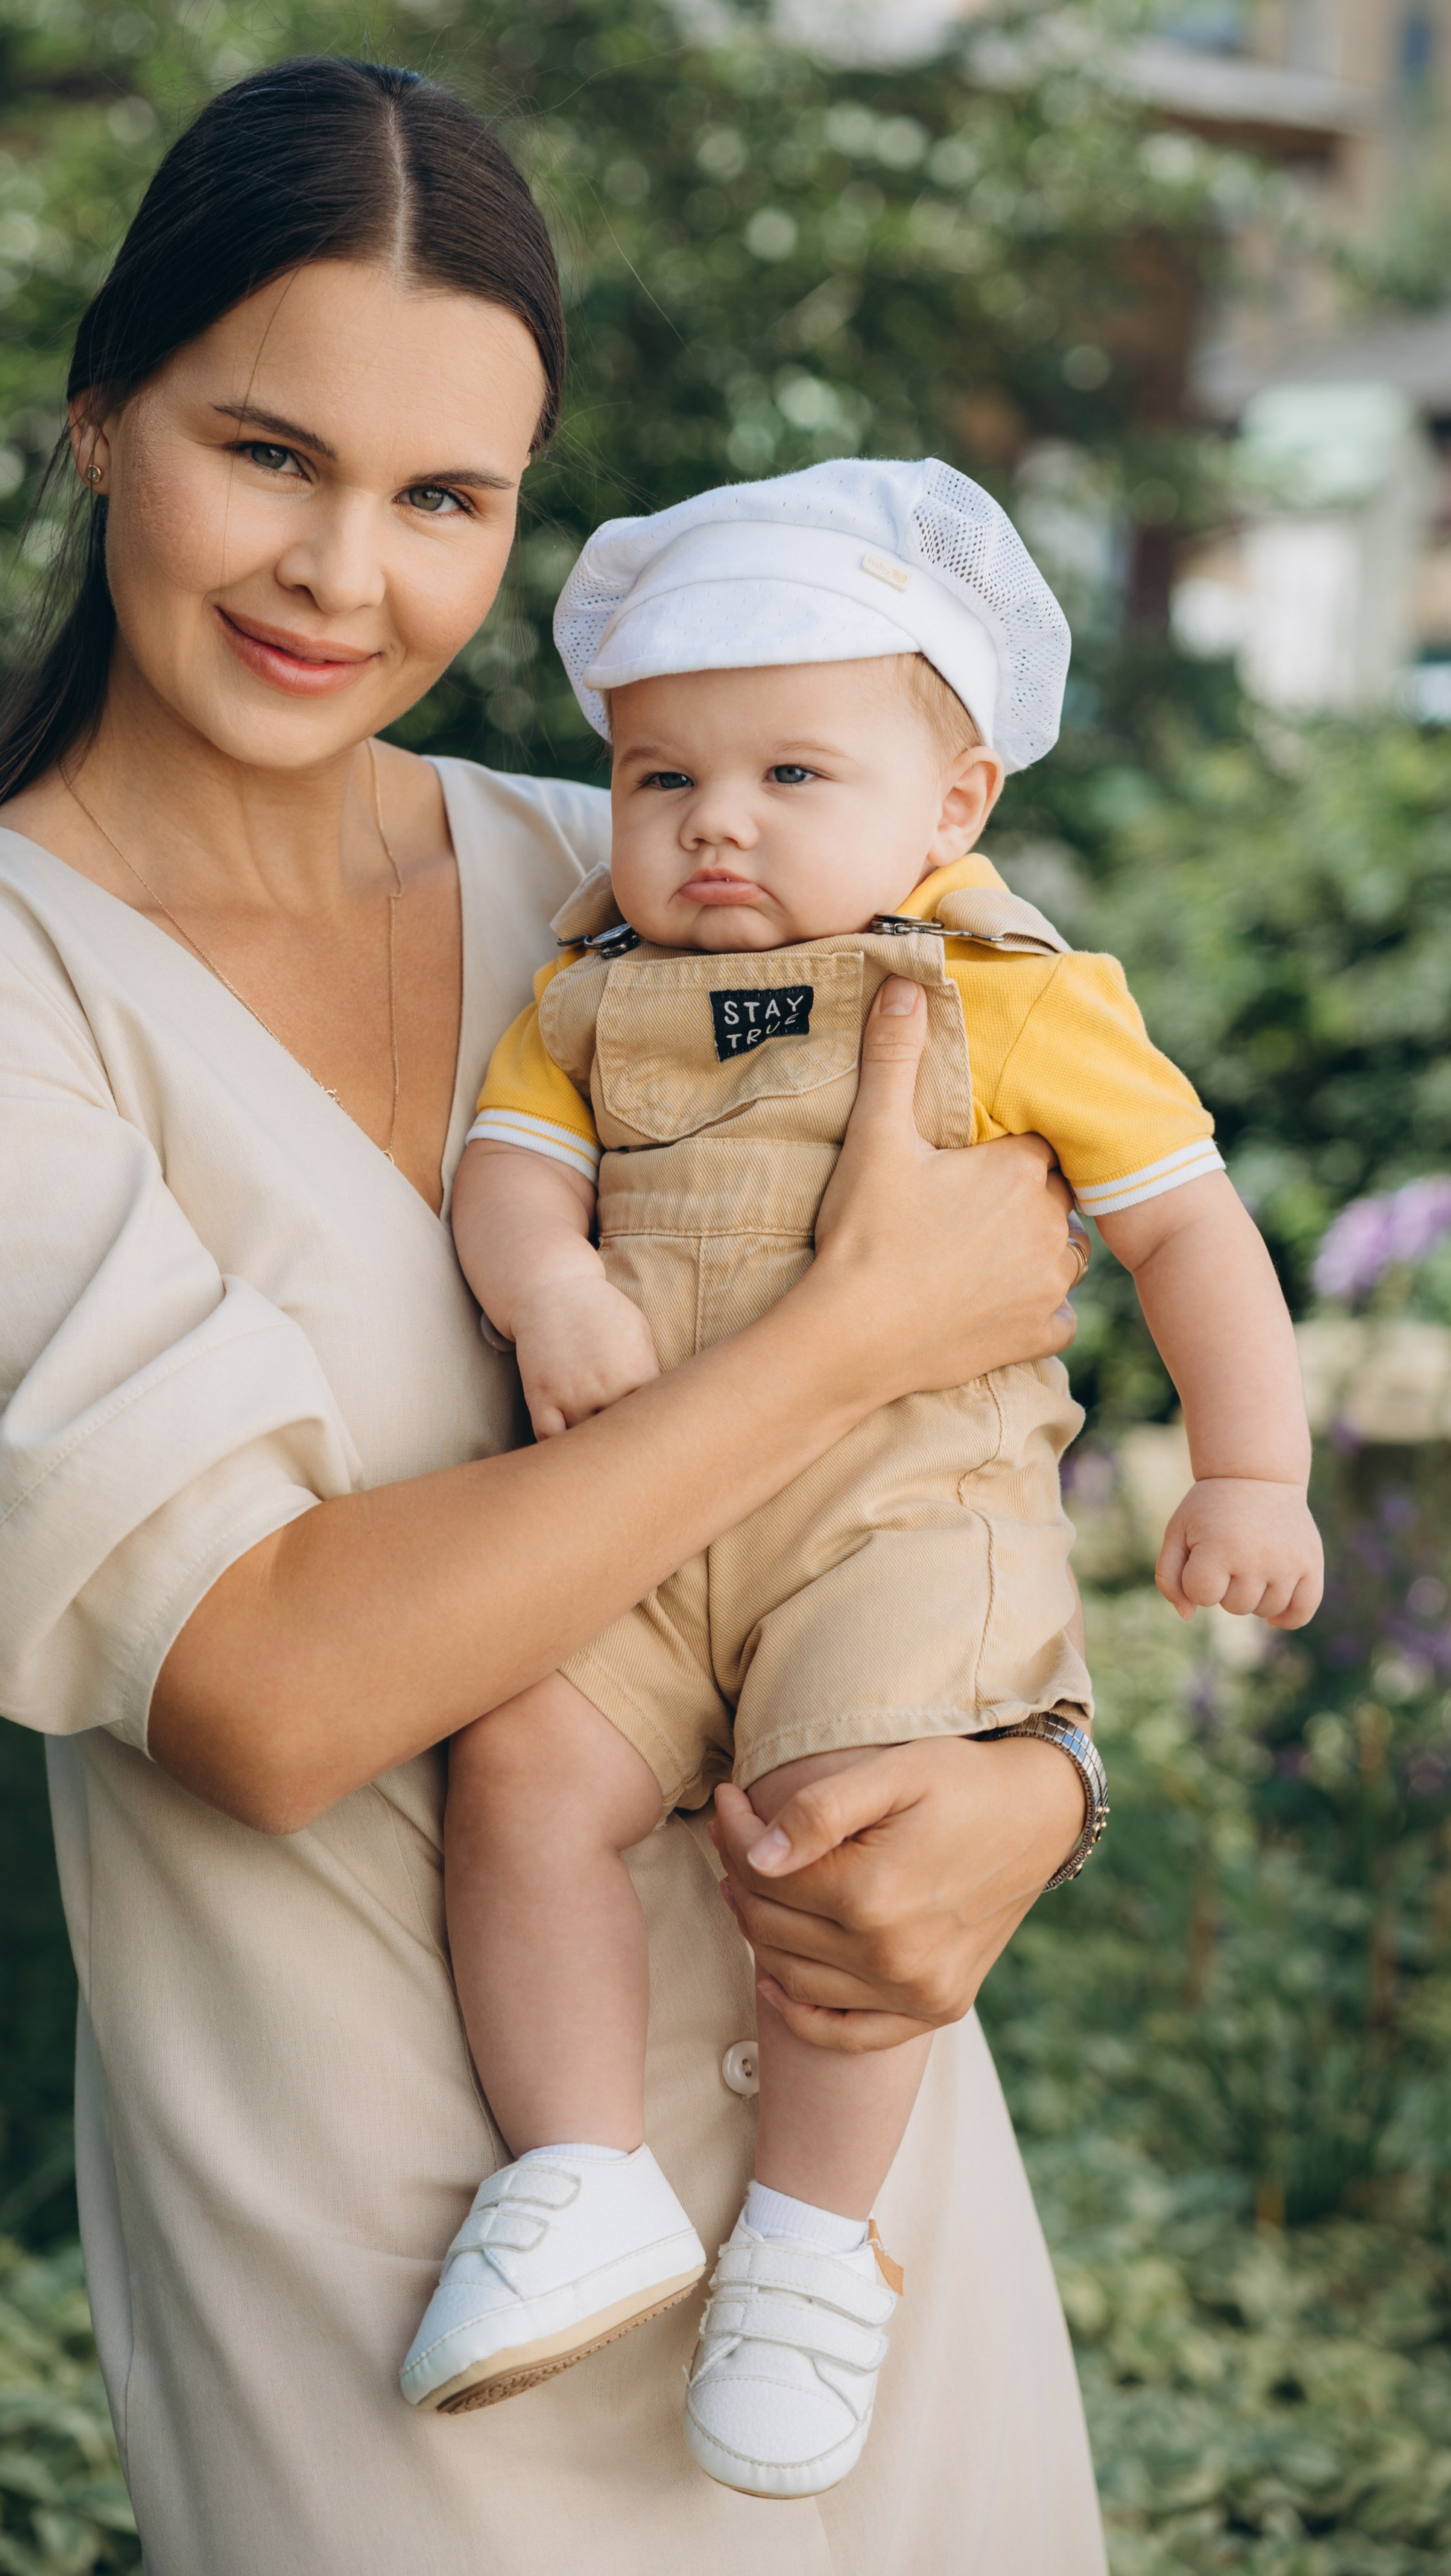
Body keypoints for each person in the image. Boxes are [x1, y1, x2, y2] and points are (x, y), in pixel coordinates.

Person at [0, 55, 1111, 2573]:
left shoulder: (625, 873)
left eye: (444, 500)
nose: (339, 574)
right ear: (98, 420)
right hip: (393, 2277)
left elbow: (983, 1390)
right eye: (266, 451)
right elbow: (262, 1685)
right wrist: (821, 1338)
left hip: (849, 2215)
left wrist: (1038, 1788)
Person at [405, 460, 1324, 2497]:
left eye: (790, 776)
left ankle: (814, 2248)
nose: (712, 825)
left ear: (954, 807)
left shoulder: (1016, 1005)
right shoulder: (587, 999)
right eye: (660, 781)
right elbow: (509, 1173)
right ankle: (579, 2174)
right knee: (526, 1774)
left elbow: (1188, 1232)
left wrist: (1251, 1470)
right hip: (632, 1513)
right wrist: (545, 1281)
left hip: (899, 1526)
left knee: (849, 1846)